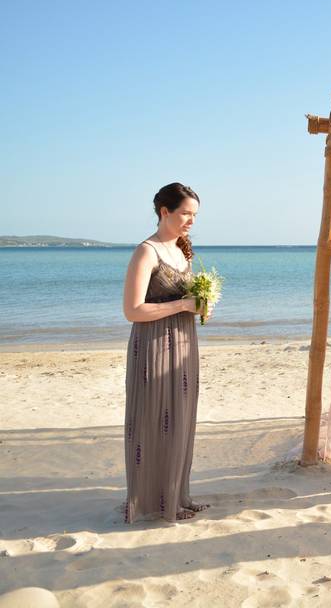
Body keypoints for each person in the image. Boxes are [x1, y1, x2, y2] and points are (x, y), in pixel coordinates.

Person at [122, 182, 211, 522]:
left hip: (185, 343)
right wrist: (184, 304)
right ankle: (152, 502)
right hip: (155, 344)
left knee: (180, 419)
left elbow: (185, 302)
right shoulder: (147, 251)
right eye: (186, 213)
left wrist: (201, 307)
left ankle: (176, 495)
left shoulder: (182, 251)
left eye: (195, 215)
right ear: (164, 212)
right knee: (153, 419)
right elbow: (132, 310)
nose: (191, 221)